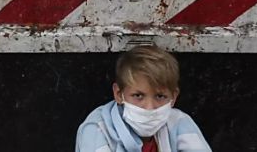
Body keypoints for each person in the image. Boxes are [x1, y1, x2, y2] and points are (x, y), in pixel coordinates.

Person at [76, 46, 212, 152]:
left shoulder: (178, 122)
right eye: (138, 96)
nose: (149, 107)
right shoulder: (98, 129)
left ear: (174, 97)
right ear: (118, 94)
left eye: (160, 96)